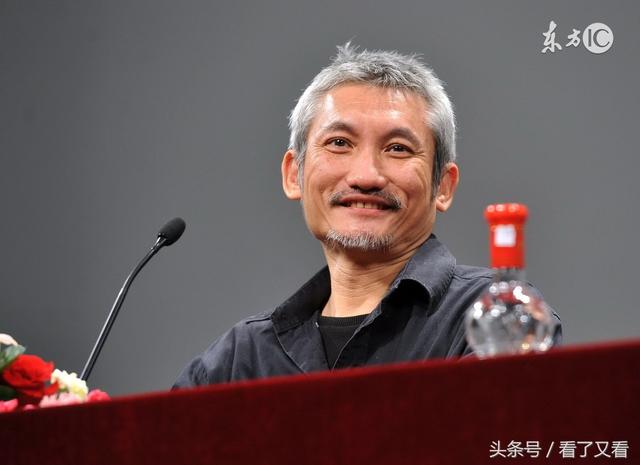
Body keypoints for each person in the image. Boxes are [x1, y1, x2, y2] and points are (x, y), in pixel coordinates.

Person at [174, 44, 560, 387]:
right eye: (339, 143)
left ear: (443, 186)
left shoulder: (496, 320)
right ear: (294, 174)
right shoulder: (239, 360)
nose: (366, 176)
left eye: (397, 148)